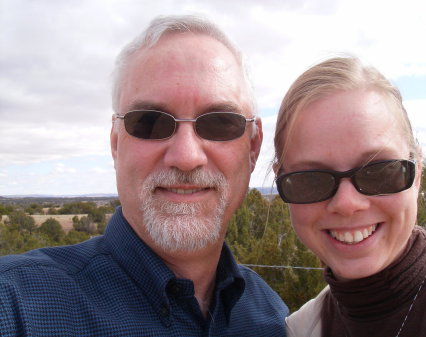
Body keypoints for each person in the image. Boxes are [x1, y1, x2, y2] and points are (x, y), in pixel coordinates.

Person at [0, 15, 288, 336]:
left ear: (253, 147)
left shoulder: (272, 316)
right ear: (115, 143)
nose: (186, 157)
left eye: (219, 122)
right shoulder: (15, 307)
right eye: (149, 122)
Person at [273, 56, 426, 337]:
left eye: (380, 171)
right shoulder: (299, 330)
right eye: (311, 180)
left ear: (417, 173)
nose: (347, 203)